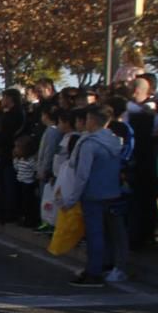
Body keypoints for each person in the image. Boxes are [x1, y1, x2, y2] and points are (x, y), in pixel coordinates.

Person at [59, 104, 125, 287]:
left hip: (93, 194)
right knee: (109, 233)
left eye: (87, 118)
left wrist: (71, 199)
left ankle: (93, 272)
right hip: (112, 192)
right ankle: (105, 264)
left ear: (93, 120)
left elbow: (82, 175)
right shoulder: (115, 141)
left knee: (95, 234)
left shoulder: (90, 144)